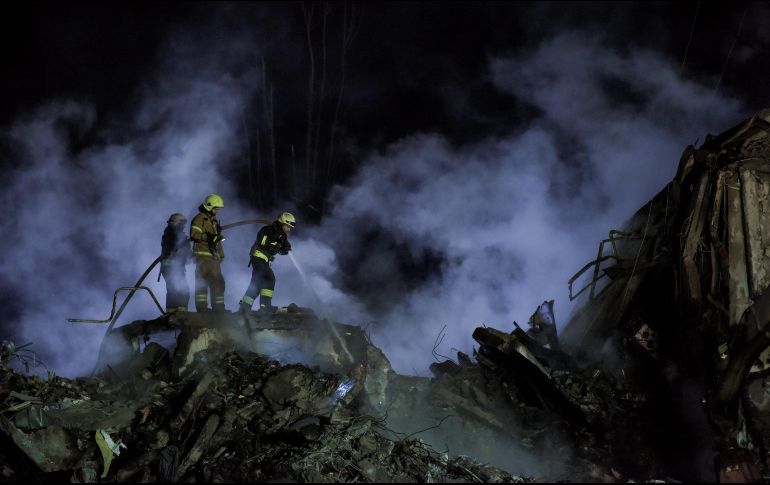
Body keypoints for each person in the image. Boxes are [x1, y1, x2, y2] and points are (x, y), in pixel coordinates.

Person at [238, 212, 295, 315]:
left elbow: (283, 250)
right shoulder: (268, 230)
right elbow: (263, 242)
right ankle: (265, 306)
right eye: (288, 226)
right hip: (258, 257)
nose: (289, 229)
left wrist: (286, 249)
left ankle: (244, 307)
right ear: (282, 223)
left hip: (265, 260)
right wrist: (276, 242)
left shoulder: (283, 236)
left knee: (257, 284)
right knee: (270, 278)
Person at [190, 194, 226, 312]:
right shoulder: (200, 219)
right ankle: (202, 309)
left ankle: (218, 308)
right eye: (216, 208)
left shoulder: (214, 221)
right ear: (209, 207)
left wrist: (221, 254)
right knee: (203, 282)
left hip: (213, 257)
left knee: (218, 283)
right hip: (202, 256)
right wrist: (208, 236)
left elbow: (217, 240)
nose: (218, 211)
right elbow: (194, 235)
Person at [160, 213, 193, 313]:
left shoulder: (169, 233)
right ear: (177, 223)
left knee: (174, 291)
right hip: (173, 268)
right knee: (182, 290)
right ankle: (180, 314)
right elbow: (179, 249)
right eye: (182, 223)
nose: (183, 226)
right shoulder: (172, 233)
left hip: (171, 268)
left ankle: (173, 314)